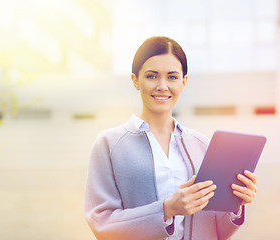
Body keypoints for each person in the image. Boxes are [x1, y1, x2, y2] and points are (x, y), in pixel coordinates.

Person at [85, 36, 258, 240]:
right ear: (135, 80)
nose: (162, 86)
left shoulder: (201, 145)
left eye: (172, 77)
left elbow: (214, 230)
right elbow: (101, 223)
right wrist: (166, 210)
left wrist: (236, 205)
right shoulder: (109, 144)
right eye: (151, 76)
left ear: (184, 82)